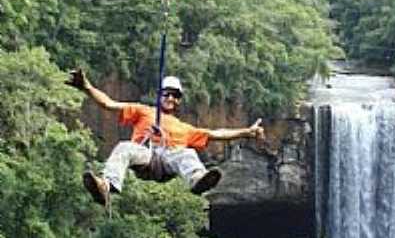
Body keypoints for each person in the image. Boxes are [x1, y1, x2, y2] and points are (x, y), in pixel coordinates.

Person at [66, 69, 265, 207]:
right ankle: (106, 186)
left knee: (186, 152)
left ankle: (197, 180)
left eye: (176, 96)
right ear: (160, 94)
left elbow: (216, 134)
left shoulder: (183, 128)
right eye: (167, 94)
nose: (171, 98)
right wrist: (87, 87)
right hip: (146, 157)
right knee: (124, 147)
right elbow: (109, 104)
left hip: (168, 162)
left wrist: (246, 132)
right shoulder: (144, 111)